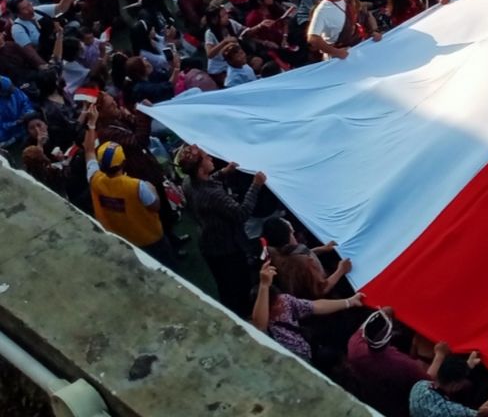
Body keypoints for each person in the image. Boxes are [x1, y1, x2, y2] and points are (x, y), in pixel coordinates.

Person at [177, 145, 266, 315]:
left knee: (224, 285)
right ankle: (245, 315)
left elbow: (206, 180)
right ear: (200, 167)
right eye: (206, 157)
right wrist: (256, 185)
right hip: (226, 249)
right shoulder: (213, 195)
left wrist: (224, 172)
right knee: (238, 287)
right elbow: (241, 213)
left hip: (209, 243)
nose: (211, 158)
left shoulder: (188, 182)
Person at [83, 111, 174, 269]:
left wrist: (91, 125)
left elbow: (89, 151)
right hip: (150, 239)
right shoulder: (137, 186)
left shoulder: (95, 180)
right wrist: (152, 189)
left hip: (123, 241)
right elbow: (155, 206)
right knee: (168, 268)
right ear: (123, 161)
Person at [252, 262, 364, 362]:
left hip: (307, 352)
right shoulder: (262, 326)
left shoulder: (285, 300)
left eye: (279, 301)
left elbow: (315, 306)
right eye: (275, 304)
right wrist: (264, 286)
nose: (280, 304)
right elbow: (259, 327)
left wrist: (349, 302)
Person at [345, 308, 431, 416]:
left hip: (371, 391)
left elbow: (364, 327)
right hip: (398, 401)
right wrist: (440, 354)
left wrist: (382, 315)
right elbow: (429, 381)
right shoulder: (401, 364)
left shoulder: (354, 345)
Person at [409, 349, 488, 417]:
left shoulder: (419, 386)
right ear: (454, 385)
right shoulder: (452, 411)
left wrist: (467, 365)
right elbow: (482, 414)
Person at [307, 0, 382, 59]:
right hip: (339, 56)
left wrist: (375, 30)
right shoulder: (321, 10)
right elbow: (313, 38)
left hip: (359, 47)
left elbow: (367, 14)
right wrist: (336, 52)